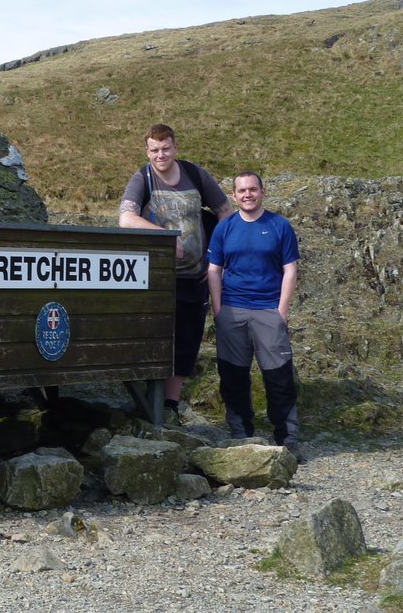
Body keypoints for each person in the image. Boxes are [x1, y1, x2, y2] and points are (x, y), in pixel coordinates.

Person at [119, 123, 233, 418]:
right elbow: (126, 219)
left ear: (175, 147)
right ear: (147, 151)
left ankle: (169, 406)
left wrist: (217, 251)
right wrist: (165, 237)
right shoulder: (142, 178)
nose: (161, 155)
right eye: (155, 150)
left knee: (186, 340)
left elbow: (225, 213)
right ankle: (147, 403)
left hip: (195, 276)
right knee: (153, 337)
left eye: (166, 148)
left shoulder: (196, 175)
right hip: (155, 279)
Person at [206, 171, 302, 459]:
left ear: (262, 192)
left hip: (268, 310)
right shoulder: (225, 228)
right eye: (241, 191)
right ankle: (240, 435)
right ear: (234, 196)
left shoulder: (279, 226)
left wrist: (281, 311)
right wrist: (218, 309)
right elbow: (213, 269)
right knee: (233, 375)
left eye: (252, 189)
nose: (247, 195)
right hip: (232, 311)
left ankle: (287, 439)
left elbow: (290, 269)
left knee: (279, 376)